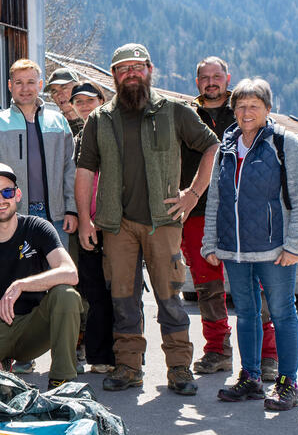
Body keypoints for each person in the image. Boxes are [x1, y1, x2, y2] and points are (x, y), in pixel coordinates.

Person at [75, 43, 220, 396]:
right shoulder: (100, 119)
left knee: (170, 298)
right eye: (123, 69)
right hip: (116, 224)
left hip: (163, 222)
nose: (130, 74)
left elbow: (211, 145)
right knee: (122, 299)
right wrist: (84, 219)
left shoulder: (174, 111)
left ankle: (179, 367)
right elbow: (84, 170)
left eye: (136, 67)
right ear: (114, 76)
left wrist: (193, 193)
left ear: (149, 69)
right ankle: (128, 366)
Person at [202, 78, 298, 411]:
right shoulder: (227, 145)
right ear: (233, 110)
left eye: (253, 106)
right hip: (234, 250)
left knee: (282, 313)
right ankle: (249, 378)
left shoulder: (284, 143)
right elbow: (216, 199)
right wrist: (210, 240)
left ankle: (287, 383)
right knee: (246, 314)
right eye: (240, 106)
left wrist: (295, 243)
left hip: (274, 249)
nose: (246, 112)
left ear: (267, 109)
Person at [183, 57, 279, 379]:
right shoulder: (186, 114)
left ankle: (268, 356)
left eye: (217, 76)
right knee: (208, 287)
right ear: (197, 82)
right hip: (197, 213)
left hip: (243, 212)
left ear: (228, 78)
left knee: (256, 286)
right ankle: (217, 351)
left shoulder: (243, 111)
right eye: (204, 77)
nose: (211, 82)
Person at [0, 163, 82, 389]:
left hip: (34, 324)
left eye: (7, 192)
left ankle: (62, 382)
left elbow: (70, 272)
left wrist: (22, 284)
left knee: (66, 294)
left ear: (17, 194)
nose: (0, 199)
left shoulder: (37, 227)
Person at [0, 59, 77, 248]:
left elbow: (70, 169)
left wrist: (72, 210)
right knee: (19, 275)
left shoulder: (58, 122)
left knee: (57, 275)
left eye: (31, 82)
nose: (25, 88)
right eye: (19, 83)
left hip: (56, 216)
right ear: (10, 86)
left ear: (40, 85)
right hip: (14, 217)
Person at [68, 82, 115, 375]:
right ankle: (99, 356)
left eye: (89, 100)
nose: (84, 105)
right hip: (87, 222)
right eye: (78, 102)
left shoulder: (114, 131)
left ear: (101, 100)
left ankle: (127, 354)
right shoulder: (76, 139)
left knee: (123, 291)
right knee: (94, 291)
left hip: (115, 222)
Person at [44, 68, 85, 135]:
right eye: (54, 91)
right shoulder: (53, 126)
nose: (59, 95)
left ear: (77, 88)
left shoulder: (93, 121)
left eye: (64, 88)